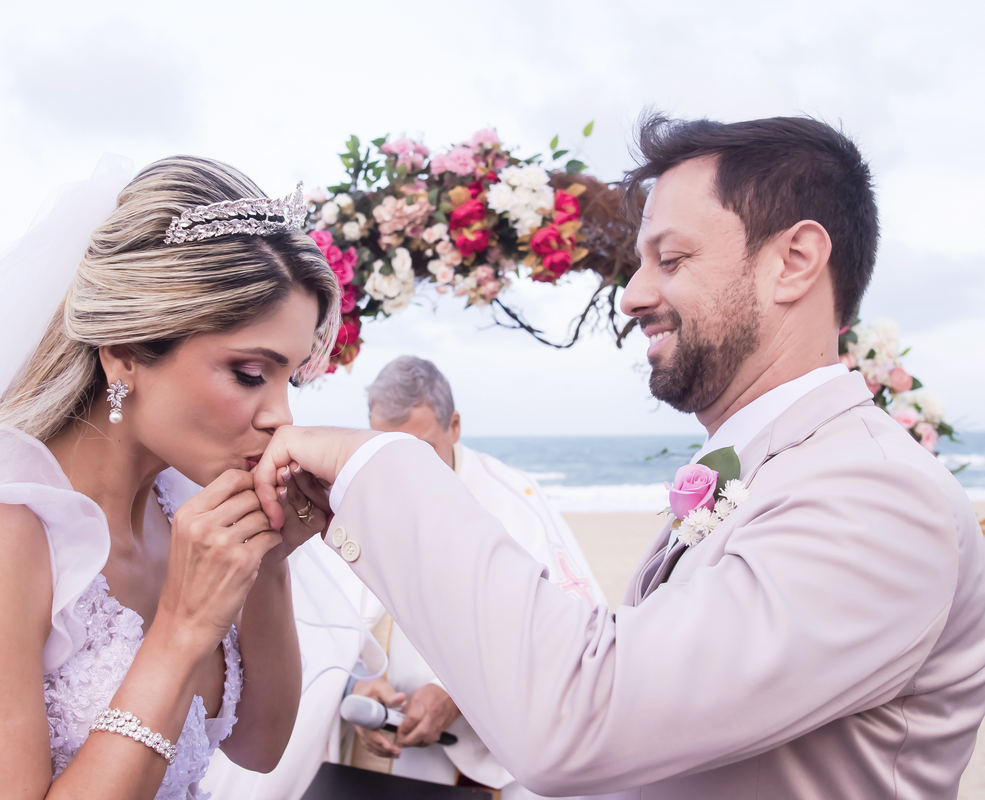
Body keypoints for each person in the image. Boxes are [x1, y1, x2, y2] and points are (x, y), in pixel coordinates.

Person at [252, 116, 985, 798]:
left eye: (671, 258)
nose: (633, 295)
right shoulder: (767, 467)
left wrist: (373, 466)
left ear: (794, 262)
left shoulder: (878, 497)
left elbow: (580, 709)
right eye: (638, 263)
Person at [0, 155, 343, 800]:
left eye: (291, 381)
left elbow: (259, 746)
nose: (279, 415)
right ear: (124, 350)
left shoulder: (185, 517)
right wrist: (181, 629)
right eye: (251, 374)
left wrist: (269, 564)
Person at [345, 355, 604, 796]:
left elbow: (568, 627)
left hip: (481, 756)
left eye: (418, 449)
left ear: (455, 426)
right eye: (384, 447)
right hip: (380, 751)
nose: (400, 469)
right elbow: (327, 617)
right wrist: (356, 682)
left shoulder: (511, 499)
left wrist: (457, 695)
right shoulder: (354, 491)